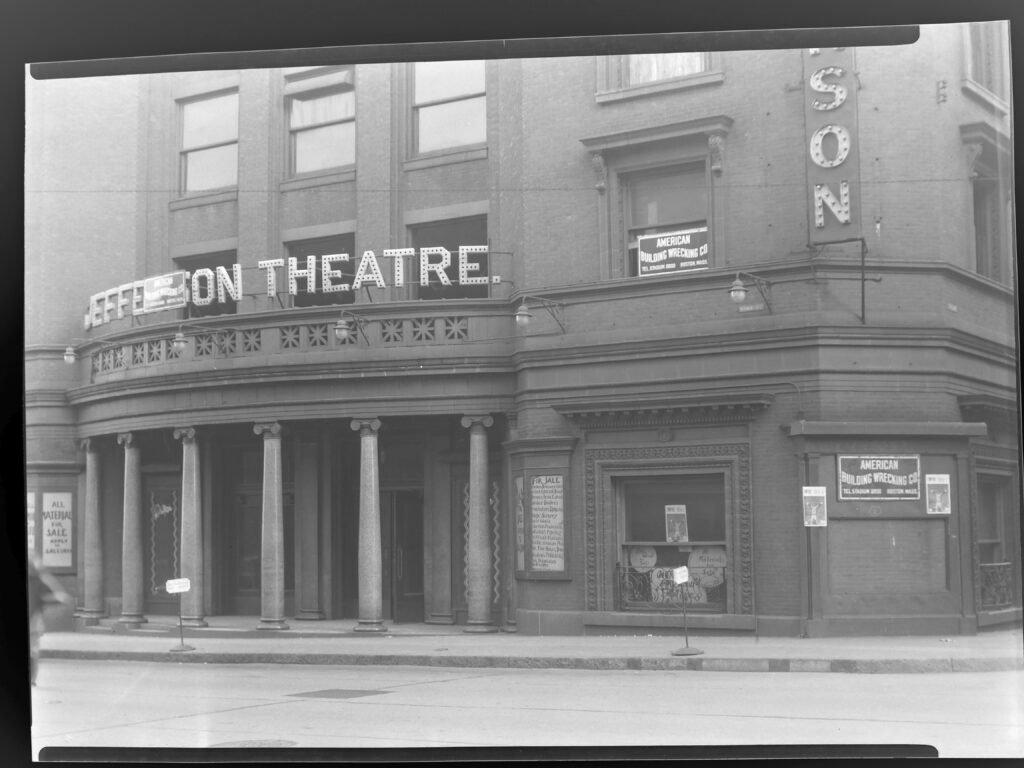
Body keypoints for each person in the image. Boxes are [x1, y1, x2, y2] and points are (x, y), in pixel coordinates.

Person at [27, 555, 70, 686]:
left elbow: (59, 596)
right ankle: (32, 680)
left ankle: (32, 680)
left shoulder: (37, 582)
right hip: (34, 623)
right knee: (33, 652)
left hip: (33, 623)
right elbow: (59, 596)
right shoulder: (38, 581)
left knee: (33, 652)